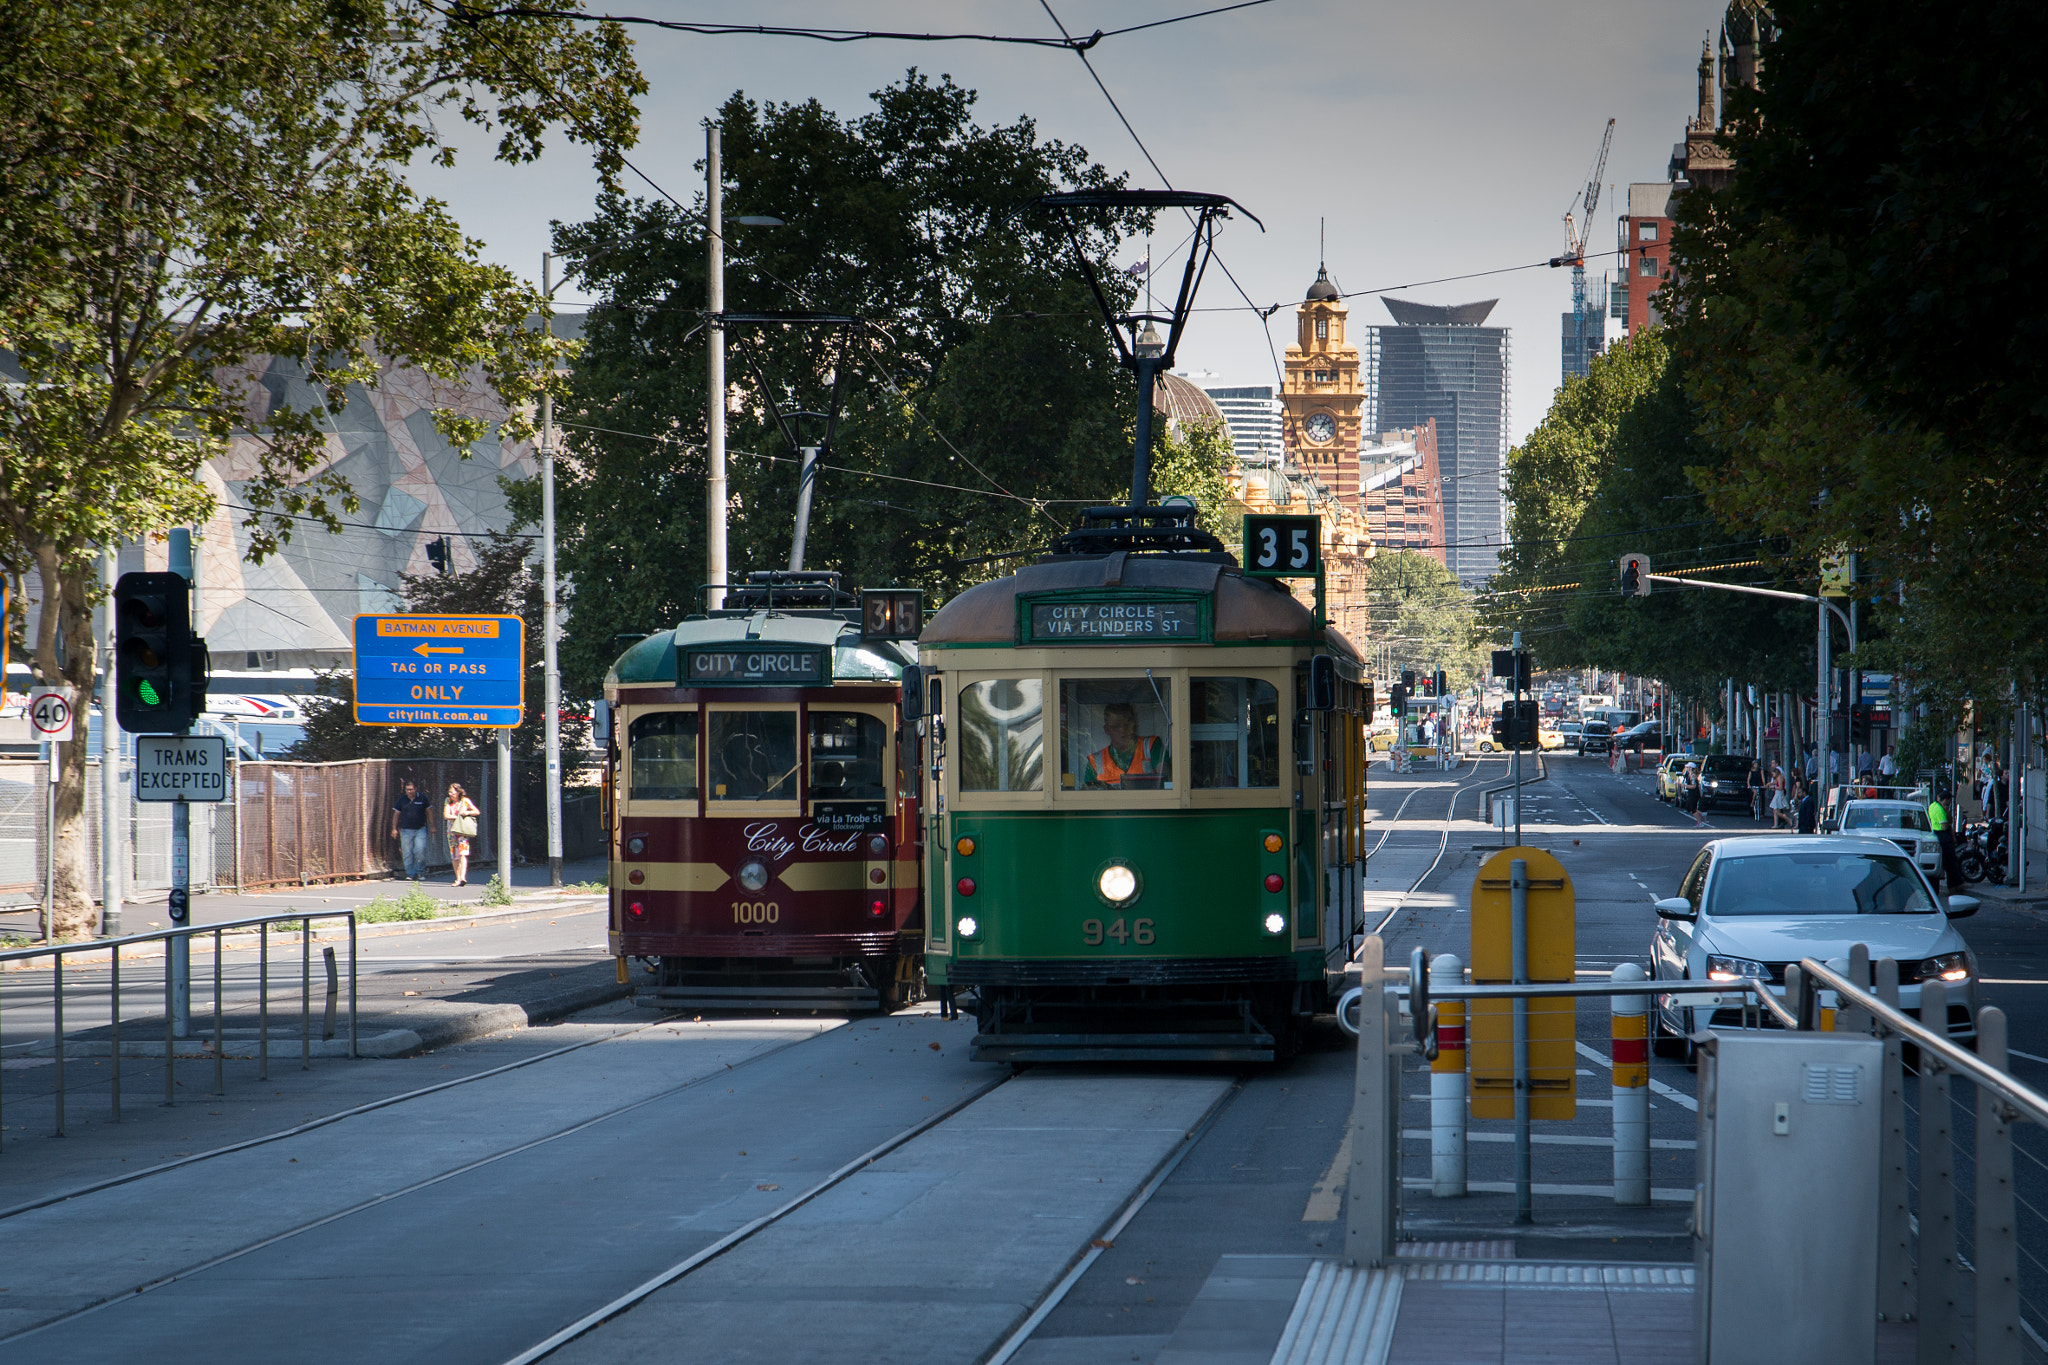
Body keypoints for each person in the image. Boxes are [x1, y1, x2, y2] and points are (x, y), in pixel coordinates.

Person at [1083, 702, 1168, 788]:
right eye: (1116, 726)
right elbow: (1087, 796)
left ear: (1134, 725)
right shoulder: (1095, 761)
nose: (1122, 731)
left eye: (1127, 725)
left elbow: (1168, 779)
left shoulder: (1151, 746)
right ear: (1107, 730)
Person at [390, 779, 430, 881]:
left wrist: (432, 826)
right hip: (406, 830)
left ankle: (420, 872)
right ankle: (410, 874)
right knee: (407, 852)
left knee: (420, 850)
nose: (409, 792)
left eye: (411, 789)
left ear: (415, 789)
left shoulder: (422, 798)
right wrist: (394, 828)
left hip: (420, 829)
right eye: (407, 790)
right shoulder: (402, 800)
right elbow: (396, 814)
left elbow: (429, 812)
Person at [443, 782, 481, 886]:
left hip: (462, 832)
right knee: (455, 856)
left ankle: (463, 877)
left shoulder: (465, 801)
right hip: (452, 832)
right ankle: (457, 878)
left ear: (458, 792)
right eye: (449, 792)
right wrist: (458, 816)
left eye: (453, 792)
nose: (451, 794)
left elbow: (476, 811)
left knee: (462, 854)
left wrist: (467, 813)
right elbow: (446, 815)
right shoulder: (448, 801)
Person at [1929, 787, 1963, 892]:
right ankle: (1953, 885)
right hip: (1943, 836)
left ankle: (1954, 884)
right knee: (1951, 862)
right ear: (1945, 800)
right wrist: (1947, 811)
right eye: (1949, 801)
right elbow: (1945, 825)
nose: (1949, 803)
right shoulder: (1940, 810)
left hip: (1937, 834)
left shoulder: (1932, 806)